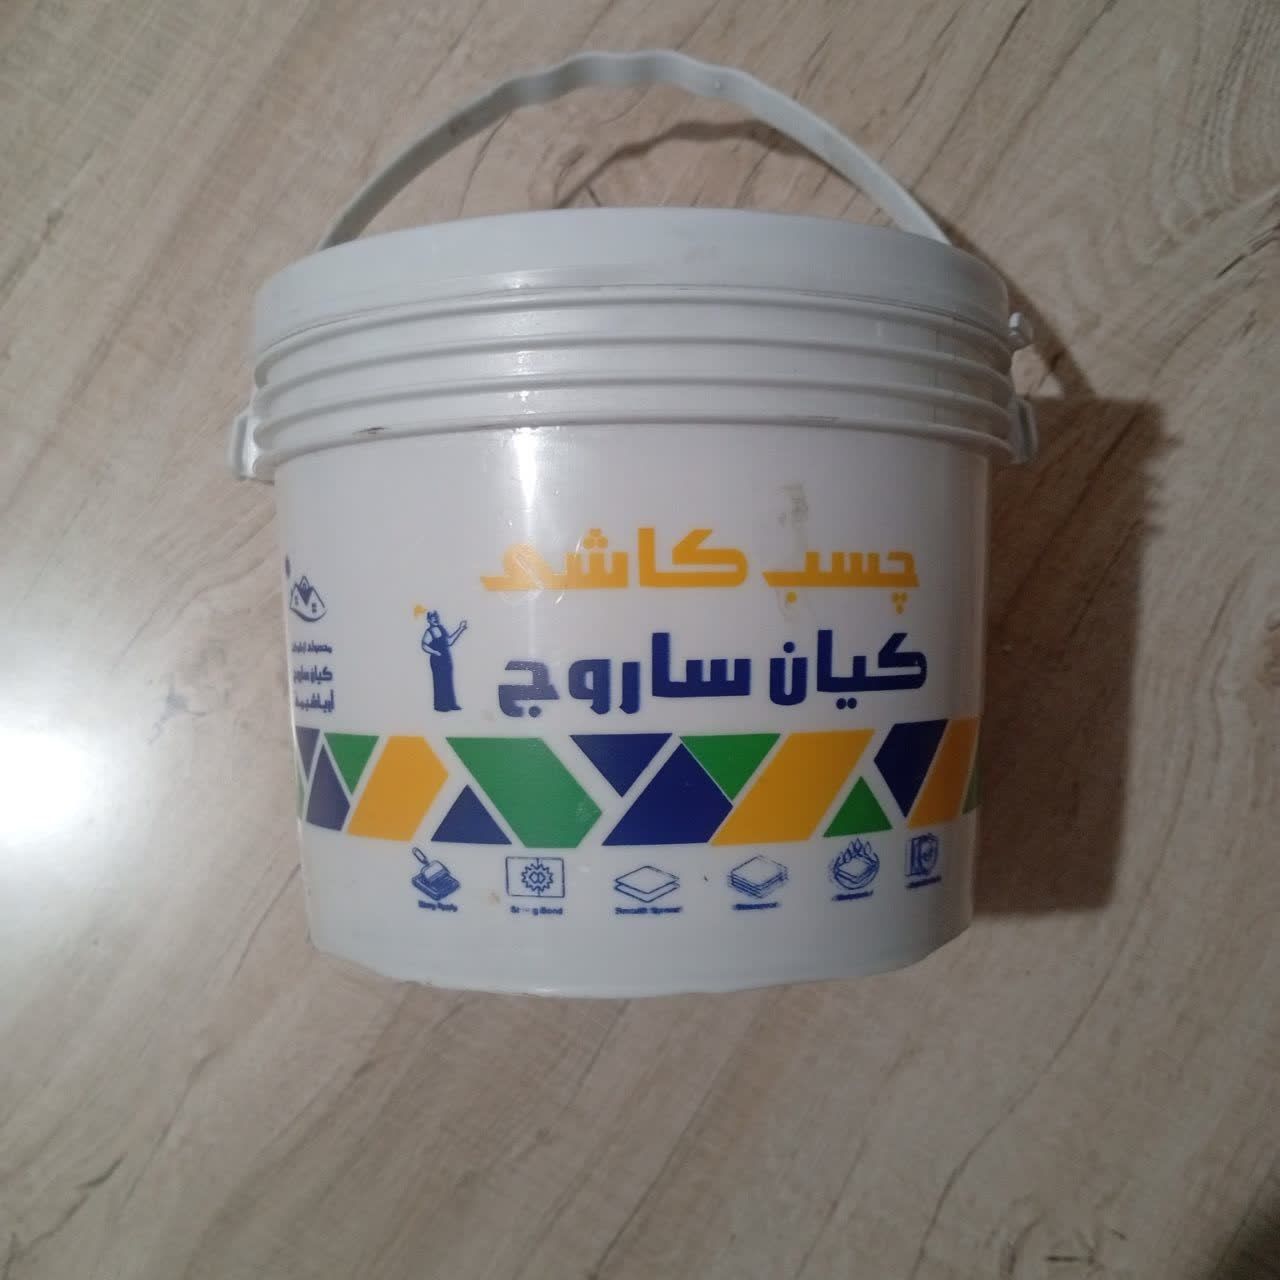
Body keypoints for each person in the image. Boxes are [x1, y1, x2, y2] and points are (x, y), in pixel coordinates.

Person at [421, 611, 467, 712]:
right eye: (433, 617)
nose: (435, 619)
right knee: (439, 681)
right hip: (437, 660)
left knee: (448, 680)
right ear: (428, 620)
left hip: (446, 658)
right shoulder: (429, 632)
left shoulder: (441, 628)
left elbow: (449, 642)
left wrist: (460, 629)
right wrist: (434, 652)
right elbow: (424, 645)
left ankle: (451, 703)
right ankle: (440, 705)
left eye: (436, 616)